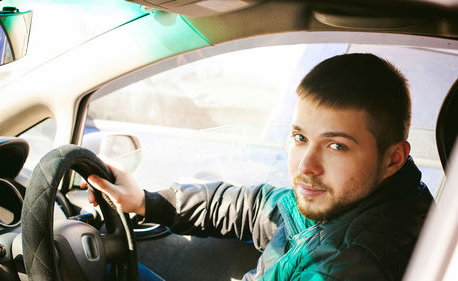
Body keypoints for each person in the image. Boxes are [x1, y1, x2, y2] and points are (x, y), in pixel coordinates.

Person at [84, 53, 433, 280]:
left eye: (336, 146)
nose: (307, 165)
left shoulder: (353, 265)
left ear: (393, 159)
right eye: (299, 138)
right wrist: (147, 202)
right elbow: (261, 207)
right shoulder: (357, 203)